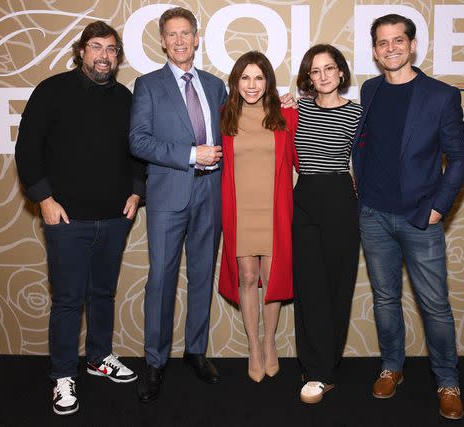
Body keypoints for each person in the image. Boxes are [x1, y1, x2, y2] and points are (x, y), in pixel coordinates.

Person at [15, 21, 142, 415]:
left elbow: (139, 148)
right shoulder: (51, 91)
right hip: (66, 221)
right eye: (96, 47)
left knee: (103, 294)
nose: (104, 55)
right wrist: (44, 201)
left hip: (114, 219)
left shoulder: (125, 97)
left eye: (111, 49)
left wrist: (138, 190)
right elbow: (27, 150)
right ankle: (62, 375)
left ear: (117, 57)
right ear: (82, 51)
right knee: (69, 300)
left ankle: (98, 357)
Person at [352, 14, 464, 420]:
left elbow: (458, 159)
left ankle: (447, 380)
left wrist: (438, 208)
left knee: (435, 305)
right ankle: (392, 367)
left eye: (398, 40)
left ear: (413, 45)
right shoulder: (370, 90)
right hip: (373, 215)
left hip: (421, 217)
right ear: (374, 50)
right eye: (382, 43)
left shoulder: (440, 96)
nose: (390, 48)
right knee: (385, 299)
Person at [129, 7, 226, 403]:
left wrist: (285, 100)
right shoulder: (148, 85)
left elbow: (242, 120)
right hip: (170, 195)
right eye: (172, 34)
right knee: (162, 281)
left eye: (186, 33)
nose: (180, 40)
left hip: (211, 194)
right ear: (163, 41)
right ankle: (155, 362)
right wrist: (190, 154)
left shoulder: (215, 85)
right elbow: (138, 141)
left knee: (202, 275)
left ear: (197, 37)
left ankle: (196, 352)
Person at [218, 51, 298, 383]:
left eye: (259, 78)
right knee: (248, 278)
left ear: (268, 82)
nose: (252, 85)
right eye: (246, 77)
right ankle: (253, 347)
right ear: (236, 82)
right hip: (240, 209)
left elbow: (301, 158)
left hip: (274, 209)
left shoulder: (285, 115)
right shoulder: (223, 116)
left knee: (273, 280)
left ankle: (269, 344)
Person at [292, 44, 362, 404]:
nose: (322, 76)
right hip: (303, 199)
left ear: (341, 72)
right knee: (308, 286)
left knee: (337, 284)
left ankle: (325, 368)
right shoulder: (297, 108)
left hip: (339, 199)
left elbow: (368, 159)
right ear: (308, 78)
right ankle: (313, 367)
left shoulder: (357, 114)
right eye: (315, 71)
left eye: (329, 68)